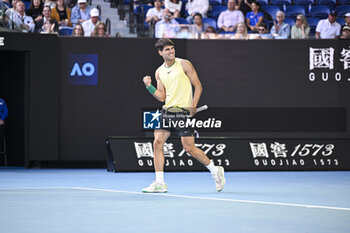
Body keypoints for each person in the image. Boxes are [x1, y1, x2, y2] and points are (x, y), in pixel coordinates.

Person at [141, 38, 225, 193]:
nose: (171, 51)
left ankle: (215, 170)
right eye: (167, 49)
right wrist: (149, 86)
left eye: (172, 48)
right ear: (160, 52)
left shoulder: (184, 64)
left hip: (182, 112)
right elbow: (161, 96)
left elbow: (198, 85)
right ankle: (160, 183)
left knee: (189, 148)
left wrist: (193, 104)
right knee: (157, 143)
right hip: (167, 112)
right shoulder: (159, 72)